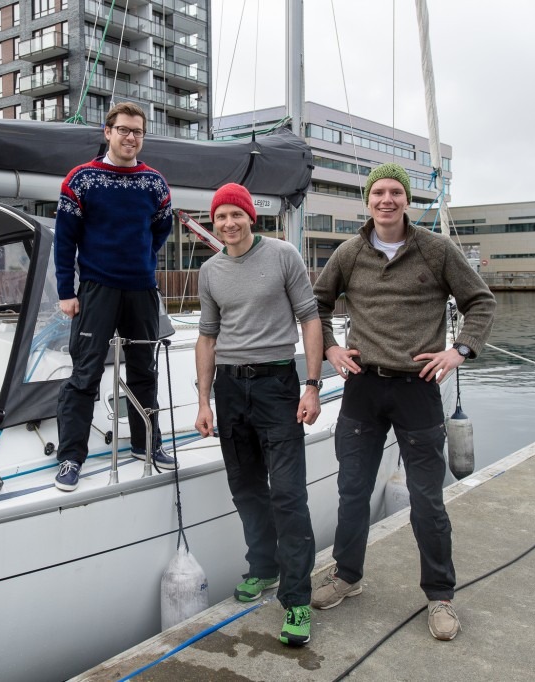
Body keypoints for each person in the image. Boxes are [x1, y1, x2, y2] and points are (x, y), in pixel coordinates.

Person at [311, 163, 496, 641]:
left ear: (406, 201)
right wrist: (331, 348)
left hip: (418, 389)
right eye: (379, 192)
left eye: (395, 192)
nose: (387, 200)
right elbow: (316, 303)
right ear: (368, 200)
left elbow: (481, 301)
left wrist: (460, 350)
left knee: (427, 500)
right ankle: (346, 576)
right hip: (363, 388)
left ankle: (440, 596)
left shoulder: (436, 251)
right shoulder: (350, 253)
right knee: (353, 492)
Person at [194, 183, 323, 647]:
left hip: (277, 385)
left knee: (288, 495)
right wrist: (204, 399)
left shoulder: (284, 255)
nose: (228, 223)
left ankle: (297, 599)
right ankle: (263, 569)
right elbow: (206, 336)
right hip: (230, 389)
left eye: (236, 214)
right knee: (247, 489)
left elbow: (310, 318)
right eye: (220, 216)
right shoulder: (209, 271)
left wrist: (312, 384)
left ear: (251, 216)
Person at [52, 102, 175, 492]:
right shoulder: (81, 179)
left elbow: (160, 231)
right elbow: (65, 240)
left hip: (140, 289)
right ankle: (72, 457)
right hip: (96, 289)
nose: (130, 137)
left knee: (143, 371)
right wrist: (65, 291)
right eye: (123, 130)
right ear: (108, 132)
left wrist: (138, 260)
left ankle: (145, 444)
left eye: (137, 132)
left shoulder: (155, 183)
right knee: (85, 373)